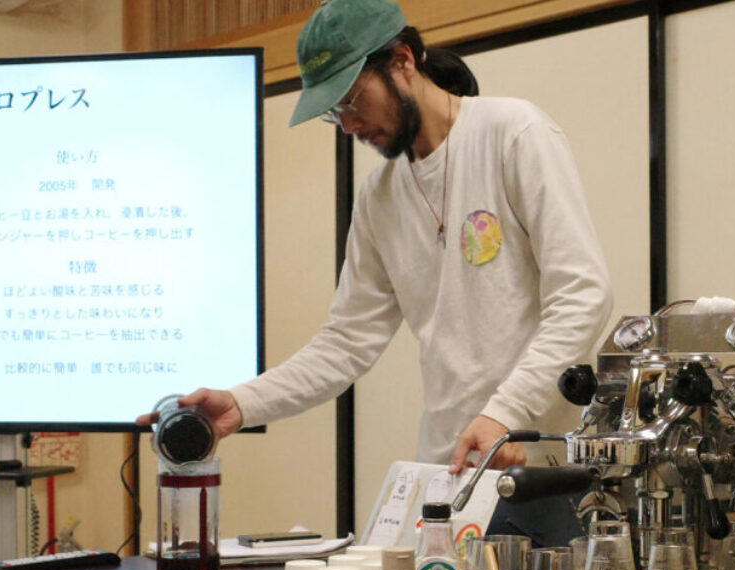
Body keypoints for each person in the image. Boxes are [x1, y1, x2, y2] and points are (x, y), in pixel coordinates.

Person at [137, 0, 612, 474]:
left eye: (350, 100)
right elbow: (346, 342)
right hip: (449, 466)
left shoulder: (513, 133)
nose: (347, 125)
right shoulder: (379, 196)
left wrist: (504, 412)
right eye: (332, 113)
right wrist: (243, 403)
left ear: (402, 61)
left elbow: (583, 294)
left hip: (544, 458)